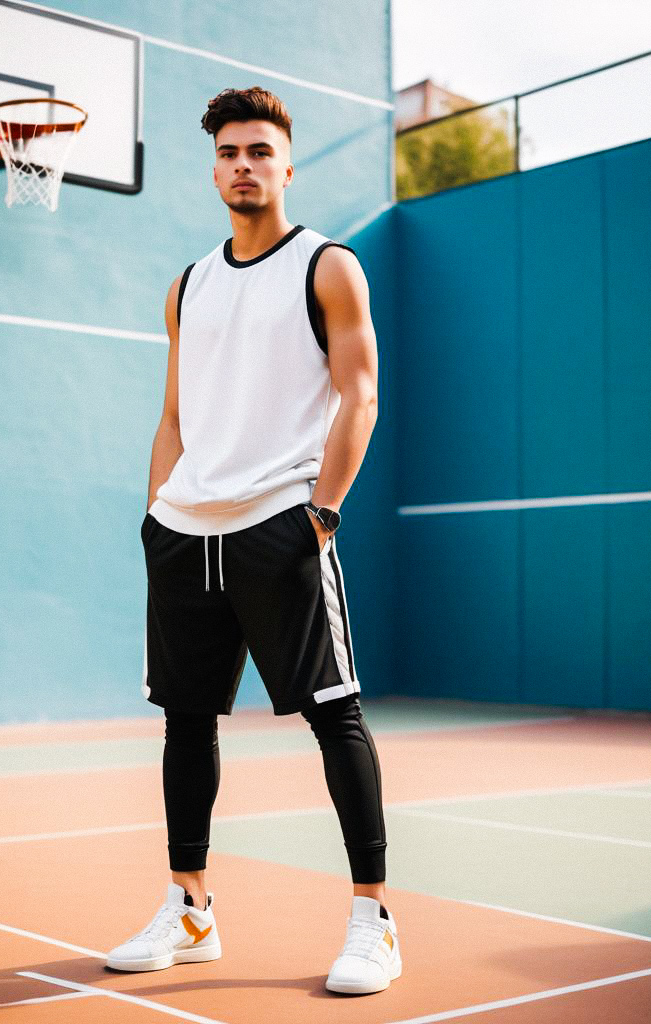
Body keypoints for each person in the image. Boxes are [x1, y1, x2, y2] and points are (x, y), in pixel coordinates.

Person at [106, 86, 400, 996]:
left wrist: (320, 514)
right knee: (185, 723)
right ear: (214, 166)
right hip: (186, 535)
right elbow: (172, 413)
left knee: (332, 716)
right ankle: (190, 907)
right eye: (229, 151)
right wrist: (160, 509)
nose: (243, 164)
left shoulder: (327, 267)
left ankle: (373, 920)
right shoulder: (187, 285)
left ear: (286, 164)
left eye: (259, 151)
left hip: (281, 525)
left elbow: (361, 396)